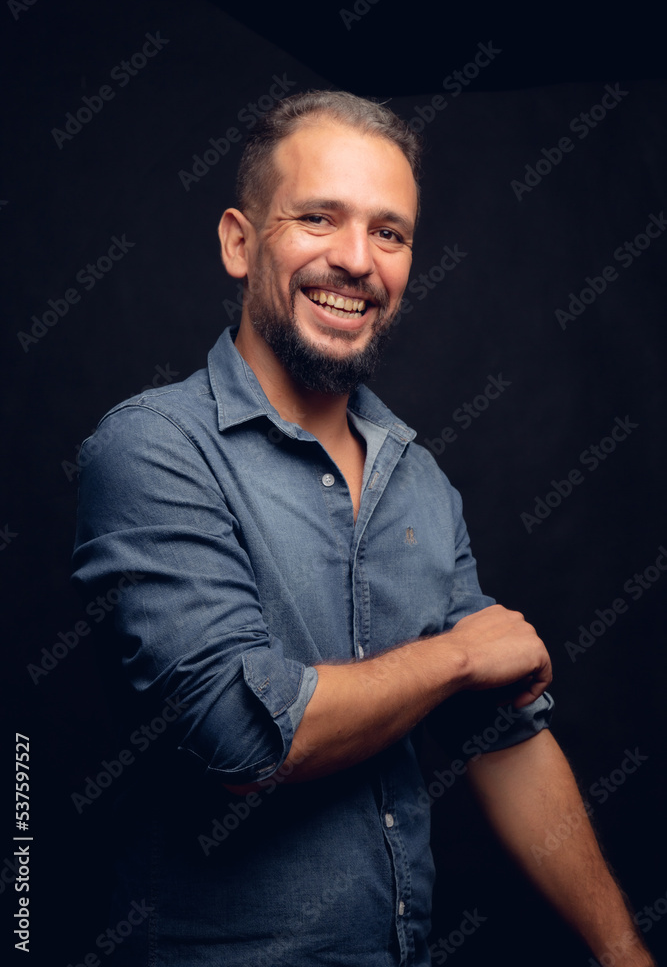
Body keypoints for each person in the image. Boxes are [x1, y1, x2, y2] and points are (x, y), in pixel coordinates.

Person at [72, 90, 654, 967]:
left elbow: (503, 737)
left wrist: (621, 952)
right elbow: (238, 738)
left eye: (389, 232)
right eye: (317, 217)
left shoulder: (420, 484)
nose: (355, 260)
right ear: (238, 242)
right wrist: (456, 657)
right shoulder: (152, 447)